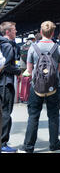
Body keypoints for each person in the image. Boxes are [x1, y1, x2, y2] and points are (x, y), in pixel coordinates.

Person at [19, 21, 60, 153]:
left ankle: (28, 146)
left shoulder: (33, 48)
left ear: (41, 32)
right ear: (52, 33)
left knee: (33, 116)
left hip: (36, 87)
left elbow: (29, 69)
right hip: (53, 87)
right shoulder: (58, 48)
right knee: (53, 116)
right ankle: (54, 145)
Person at [0, 21, 21, 153]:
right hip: (5, 83)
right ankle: (3, 143)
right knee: (6, 113)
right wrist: (19, 71)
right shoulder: (7, 45)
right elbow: (6, 66)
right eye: (14, 30)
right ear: (7, 32)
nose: (16, 32)